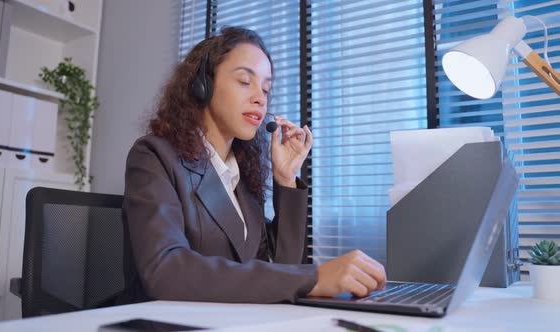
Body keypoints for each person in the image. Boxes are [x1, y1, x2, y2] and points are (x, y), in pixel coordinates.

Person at [121, 26, 386, 304]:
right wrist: (314, 277)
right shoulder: (153, 156)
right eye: (245, 81)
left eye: (266, 88)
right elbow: (167, 273)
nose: (260, 97)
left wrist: (285, 179)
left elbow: (280, 270)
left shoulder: (241, 176)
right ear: (202, 86)